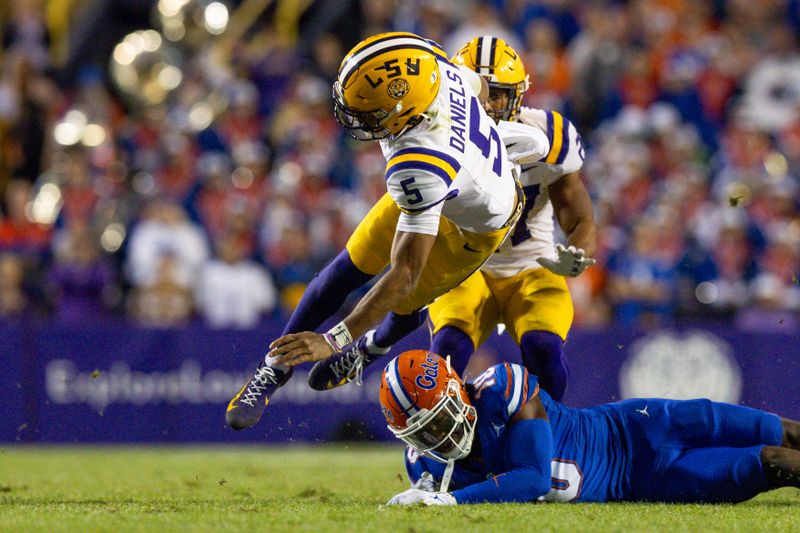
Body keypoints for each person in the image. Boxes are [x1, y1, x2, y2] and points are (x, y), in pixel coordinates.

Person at [226, 32, 550, 430]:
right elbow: (480, 86)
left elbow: (403, 275)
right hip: (455, 175)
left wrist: (335, 340)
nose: (358, 120)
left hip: (476, 226)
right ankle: (273, 368)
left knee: (408, 298)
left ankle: (370, 347)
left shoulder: (419, 164)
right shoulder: (441, 72)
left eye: (370, 113)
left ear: (406, 111)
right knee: (348, 267)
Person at [308, 36, 596, 402]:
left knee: (544, 350)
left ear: (519, 95)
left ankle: (553, 444)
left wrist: (576, 253)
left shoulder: (549, 137)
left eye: (500, 95)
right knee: (447, 350)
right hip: (465, 266)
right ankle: (442, 444)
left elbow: (580, 217)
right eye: (483, 93)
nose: (489, 105)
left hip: (529, 265)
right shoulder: (435, 137)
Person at [381, 350, 800, 505]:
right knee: (772, 462)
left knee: (778, 431)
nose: (440, 436)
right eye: (425, 432)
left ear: (457, 390)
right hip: (649, 483)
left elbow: (532, 478)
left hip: (639, 427)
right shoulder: (426, 469)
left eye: (440, 418)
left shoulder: (501, 388)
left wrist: (453, 502)